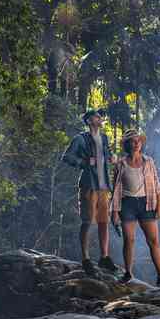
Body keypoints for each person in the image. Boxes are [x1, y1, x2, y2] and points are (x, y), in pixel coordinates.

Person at [110, 130, 160, 288]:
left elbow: (157, 184)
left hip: (146, 203)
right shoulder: (121, 163)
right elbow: (115, 189)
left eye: (138, 140)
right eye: (133, 141)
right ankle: (128, 273)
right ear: (128, 144)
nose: (137, 143)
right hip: (127, 204)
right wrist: (114, 211)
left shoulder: (148, 161)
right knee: (129, 240)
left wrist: (159, 204)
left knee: (153, 241)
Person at [61, 109, 120, 276]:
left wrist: (111, 158)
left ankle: (104, 257)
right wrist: (85, 161)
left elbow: (106, 155)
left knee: (103, 222)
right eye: (96, 116)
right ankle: (86, 259)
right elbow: (67, 157)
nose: (100, 118)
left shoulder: (104, 138)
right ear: (88, 121)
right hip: (89, 185)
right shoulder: (80, 139)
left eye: (100, 117)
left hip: (103, 187)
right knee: (87, 221)